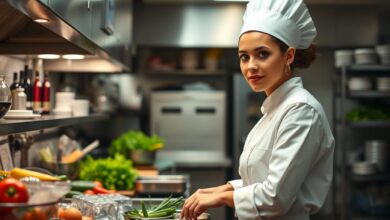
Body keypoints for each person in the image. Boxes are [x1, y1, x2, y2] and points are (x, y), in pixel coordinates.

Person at [180, 0, 335, 219]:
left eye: (262, 54)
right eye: (244, 56)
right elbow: (261, 180)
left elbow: (276, 198)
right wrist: (222, 189)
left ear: (288, 56)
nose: (251, 65)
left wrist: (222, 198)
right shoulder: (273, 110)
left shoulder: (301, 111)